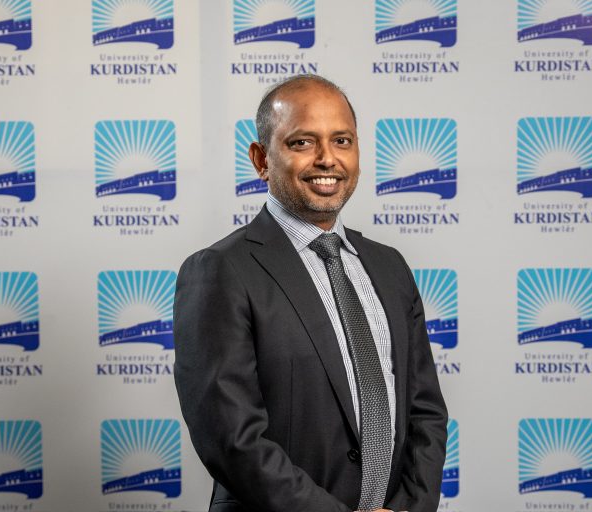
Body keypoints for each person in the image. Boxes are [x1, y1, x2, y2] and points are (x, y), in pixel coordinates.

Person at [174, 75, 447, 512]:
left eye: (342, 140)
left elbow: (425, 411)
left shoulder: (389, 267)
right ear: (261, 159)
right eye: (302, 142)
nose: (327, 159)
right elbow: (232, 440)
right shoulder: (220, 271)